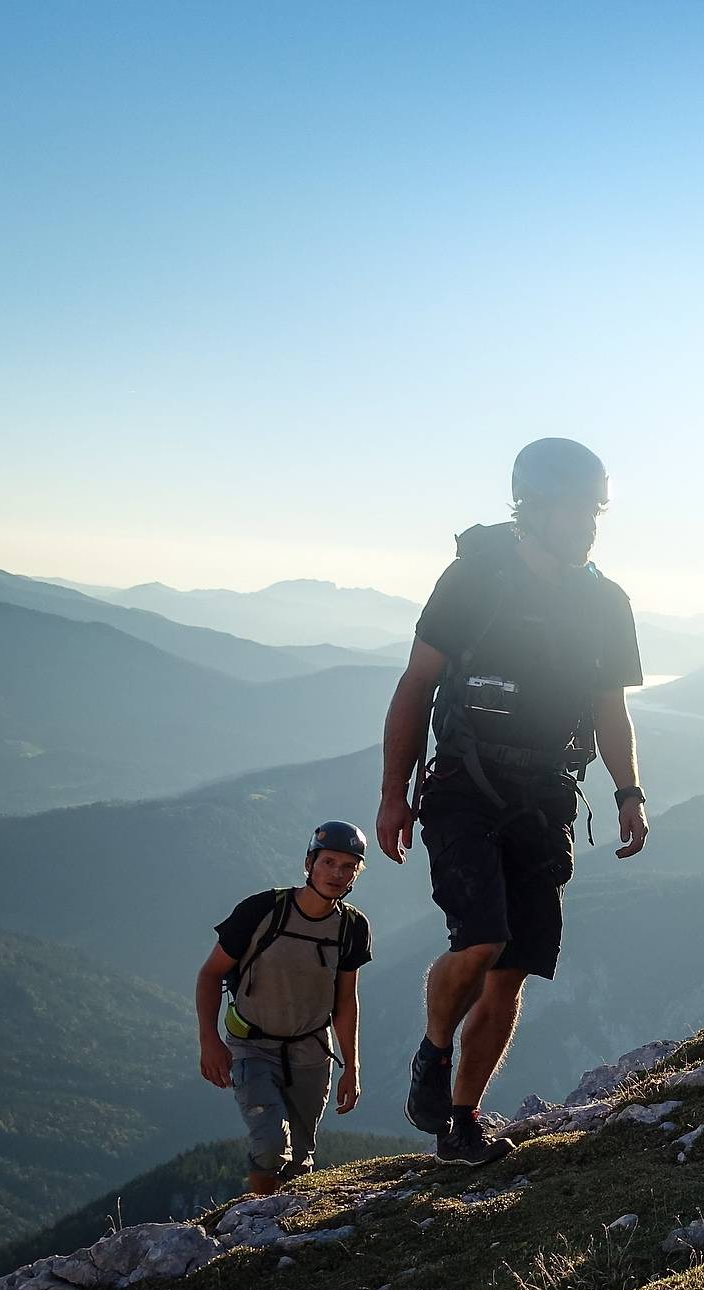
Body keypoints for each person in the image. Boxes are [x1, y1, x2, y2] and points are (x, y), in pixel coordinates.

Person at [375, 437, 650, 1163]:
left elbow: (609, 707)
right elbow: (415, 685)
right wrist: (393, 795)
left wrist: (628, 790)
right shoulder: (473, 582)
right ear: (531, 508)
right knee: (484, 938)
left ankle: (460, 1123)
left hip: (548, 796)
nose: (588, 523)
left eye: (595, 510)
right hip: (466, 783)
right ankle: (433, 1056)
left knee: (514, 966)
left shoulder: (605, 602)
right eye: (574, 509)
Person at [195, 821, 373, 1197]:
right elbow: (211, 975)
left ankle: (286, 1228)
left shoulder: (352, 927)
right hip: (252, 1046)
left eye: (348, 866)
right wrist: (209, 1040)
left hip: (312, 1052)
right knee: (270, 1143)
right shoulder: (262, 910)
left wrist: (351, 1066)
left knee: (300, 1160)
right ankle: (259, 1221)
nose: (337, 873)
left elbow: (345, 1001)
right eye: (328, 862)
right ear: (309, 863)